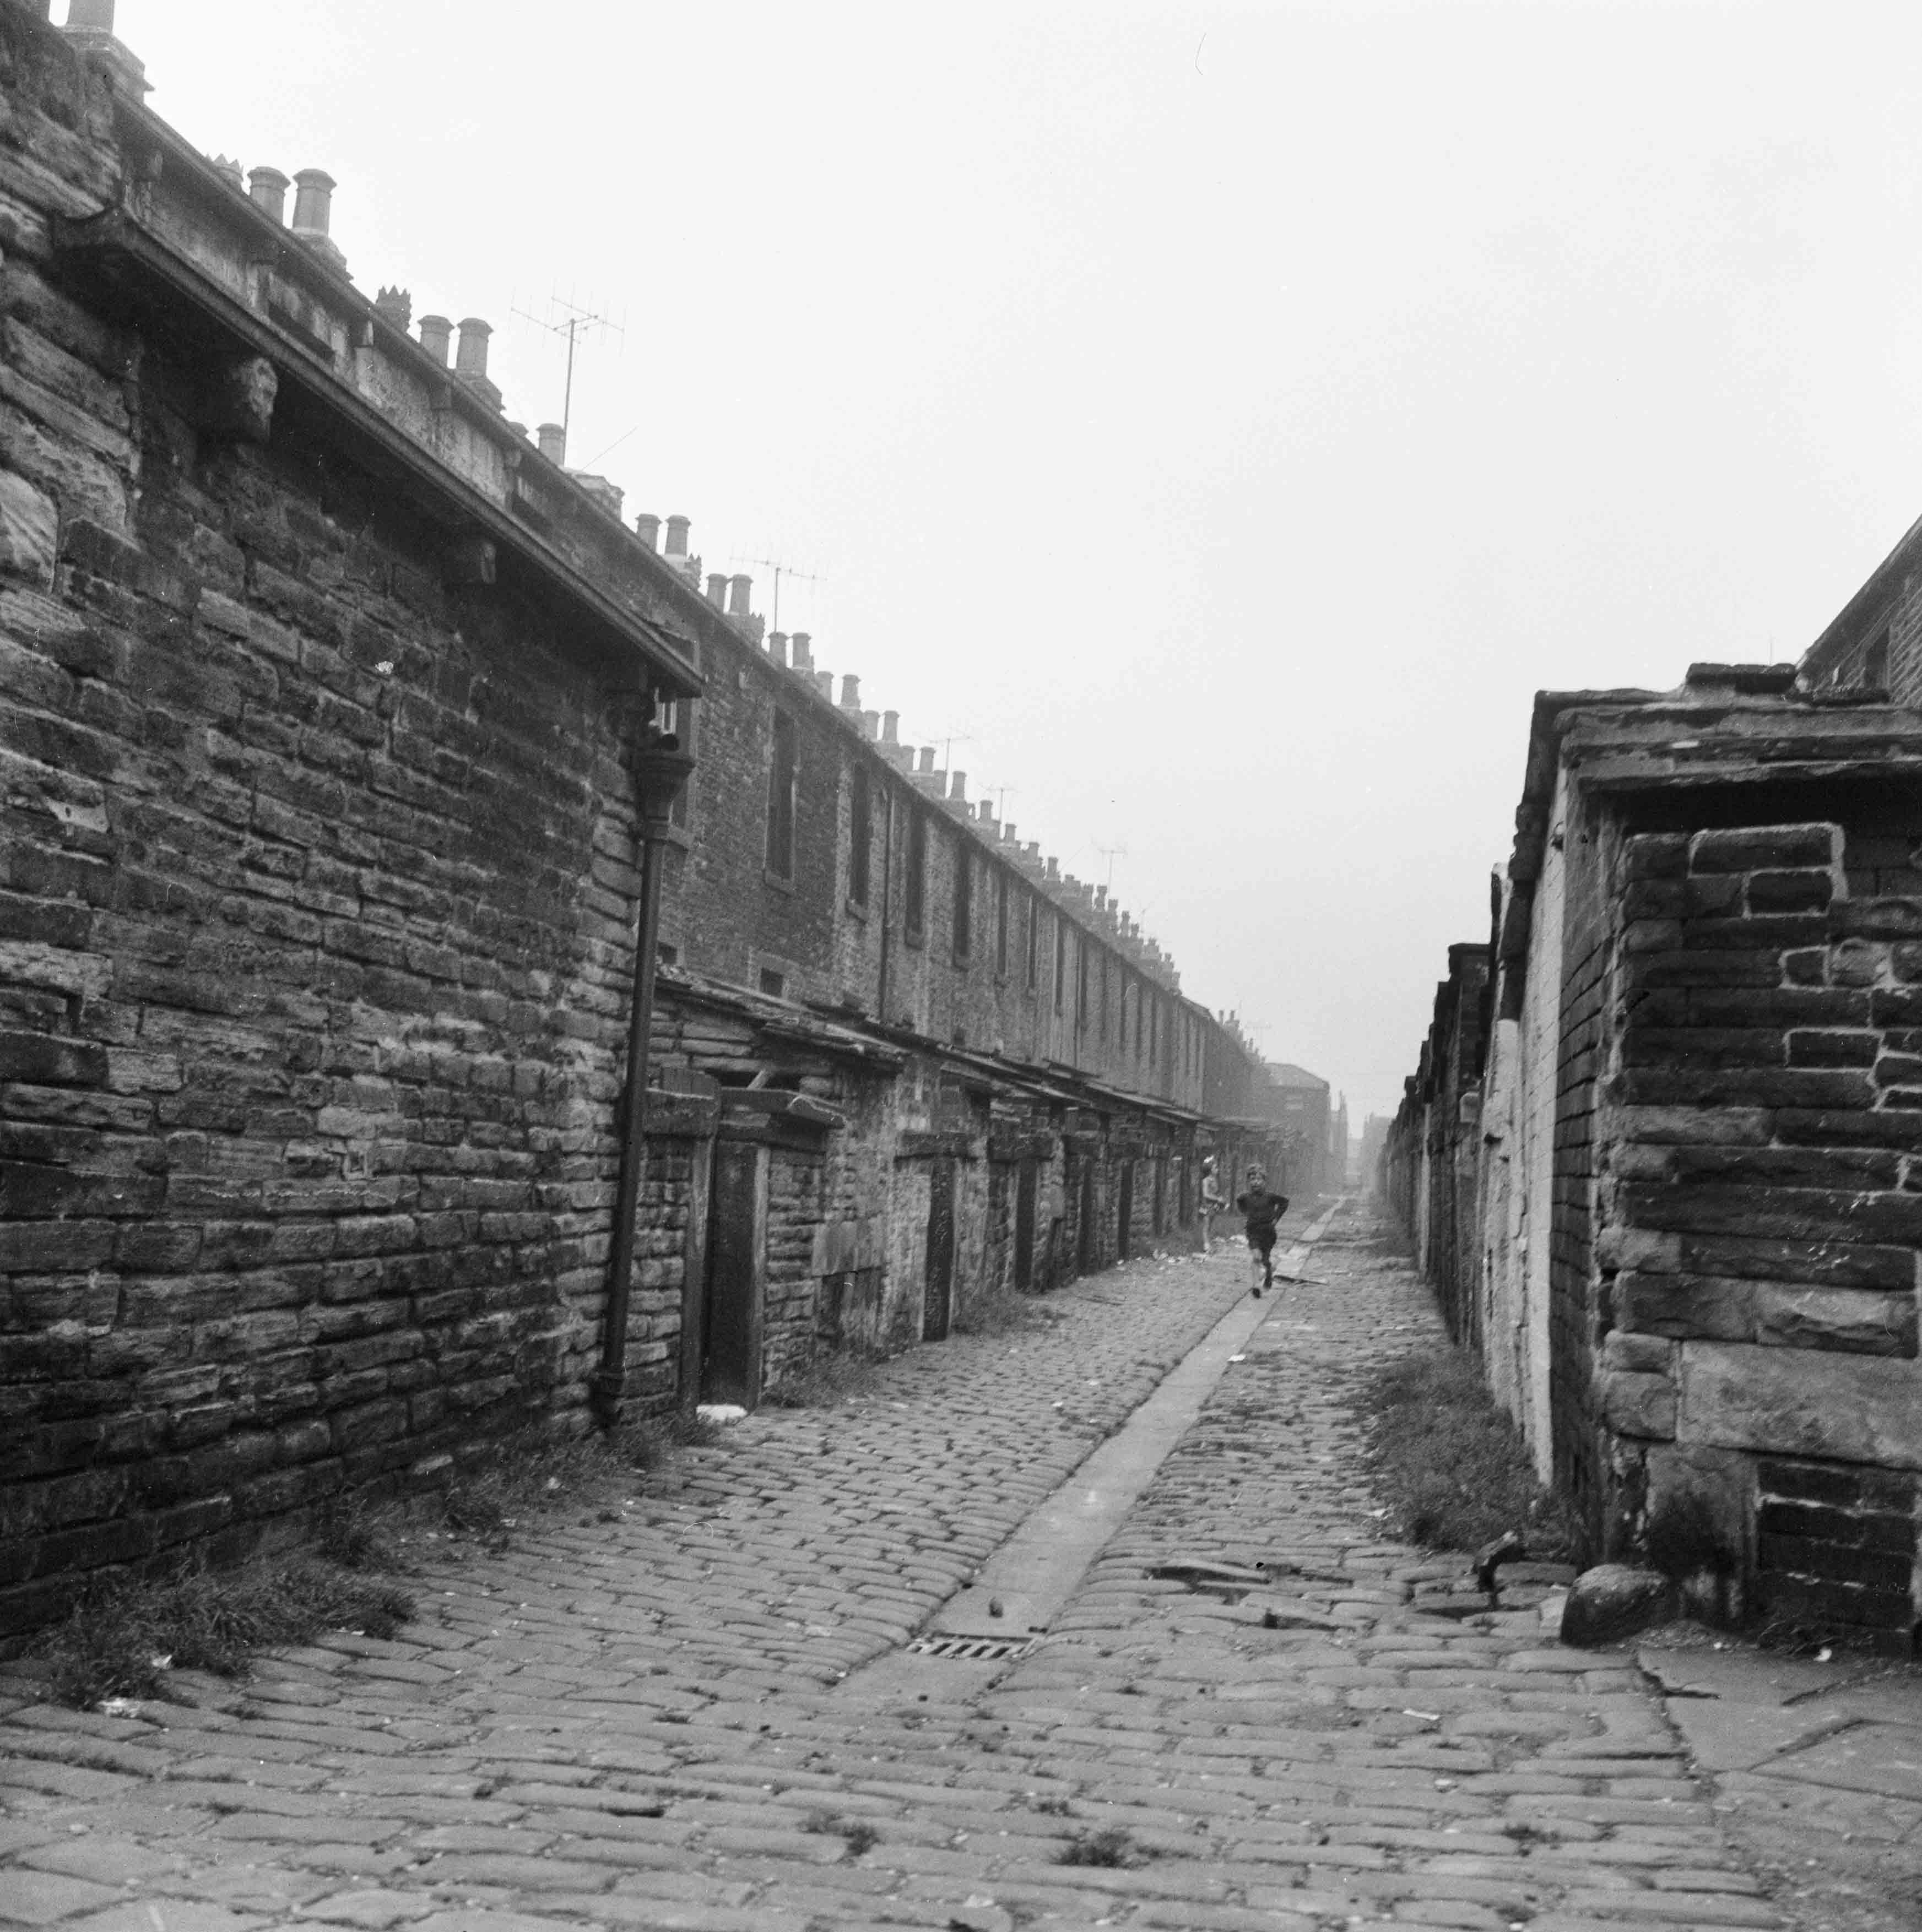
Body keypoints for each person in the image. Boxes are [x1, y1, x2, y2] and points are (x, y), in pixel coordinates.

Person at [1235, 1164, 1290, 1296]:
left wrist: (1276, 1218)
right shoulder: (1245, 1197)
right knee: (1256, 1257)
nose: (1256, 1182)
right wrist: (1247, 1214)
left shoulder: (1270, 1197)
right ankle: (1256, 1286)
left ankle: (1269, 1272)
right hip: (1253, 1231)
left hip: (1268, 1232)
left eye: (1259, 1179)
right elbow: (1240, 1203)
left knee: (1265, 1260)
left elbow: (1285, 1203)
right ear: (1249, 1181)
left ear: (1264, 1181)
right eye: (1253, 1179)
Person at [1199, 1154, 1226, 1253]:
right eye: (1215, 1167)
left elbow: (1216, 1193)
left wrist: (1221, 1199)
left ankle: (1208, 1244)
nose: (1217, 1169)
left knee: (1210, 1225)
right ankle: (1206, 1245)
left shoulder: (1215, 1180)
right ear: (1210, 1170)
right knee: (1206, 1225)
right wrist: (1217, 1199)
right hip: (1206, 1206)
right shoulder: (1206, 1181)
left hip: (1213, 1207)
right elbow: (1206, 1194)